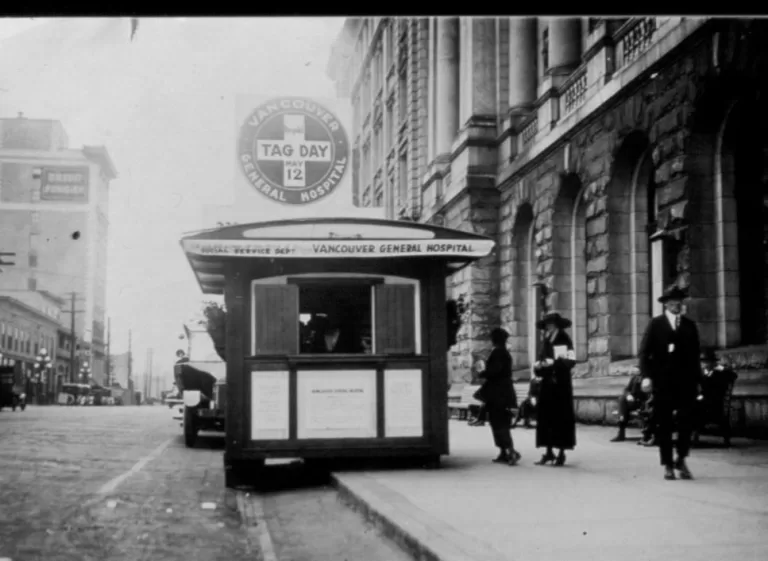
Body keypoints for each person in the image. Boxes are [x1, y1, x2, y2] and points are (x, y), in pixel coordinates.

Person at [638, 285, 702, 481]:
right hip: (663, 382)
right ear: (665, 304)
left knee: (686, 422)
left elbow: (695, 356)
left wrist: (698, 381)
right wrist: (646, 376)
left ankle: (681, 459)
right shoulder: (656, 324)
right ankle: (667, 463)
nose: (677, 304)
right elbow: (644, 353)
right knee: (664, 423)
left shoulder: (690, 326)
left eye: (679, 301)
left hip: (686, 383)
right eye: (673, 301)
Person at [533, 311, 577, 466]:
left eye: (551, 324)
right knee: (546, 418)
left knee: (560, 418)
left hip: (560, 386)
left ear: (557, 325)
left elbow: (571, 360)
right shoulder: (546, 340)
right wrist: (538, 366)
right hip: (547, 385)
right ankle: (549, 451)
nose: (548, 327)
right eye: (547, 325)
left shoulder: (564, 338)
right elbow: (541, 359)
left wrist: (554, 364)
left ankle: (561, 453)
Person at [475, 327, 520, 465]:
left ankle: (510, 451)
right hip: (502, 392)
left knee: (500, 422)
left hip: (499, 393)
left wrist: (482, 372)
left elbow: (495, 371)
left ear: (494, 340)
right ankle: (503, 451)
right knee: (497, 422)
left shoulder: (499, 352)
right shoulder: (502, 352)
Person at [610, 371, 654, 443]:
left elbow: (648, 393)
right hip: (632, 401)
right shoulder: (634, 378)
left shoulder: (648, 378)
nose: (636, 371)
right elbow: (626, 389)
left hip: (642, 402)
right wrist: (628, 395)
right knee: (622, 399)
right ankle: (622, 420)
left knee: (622, 402)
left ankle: (621, 427)